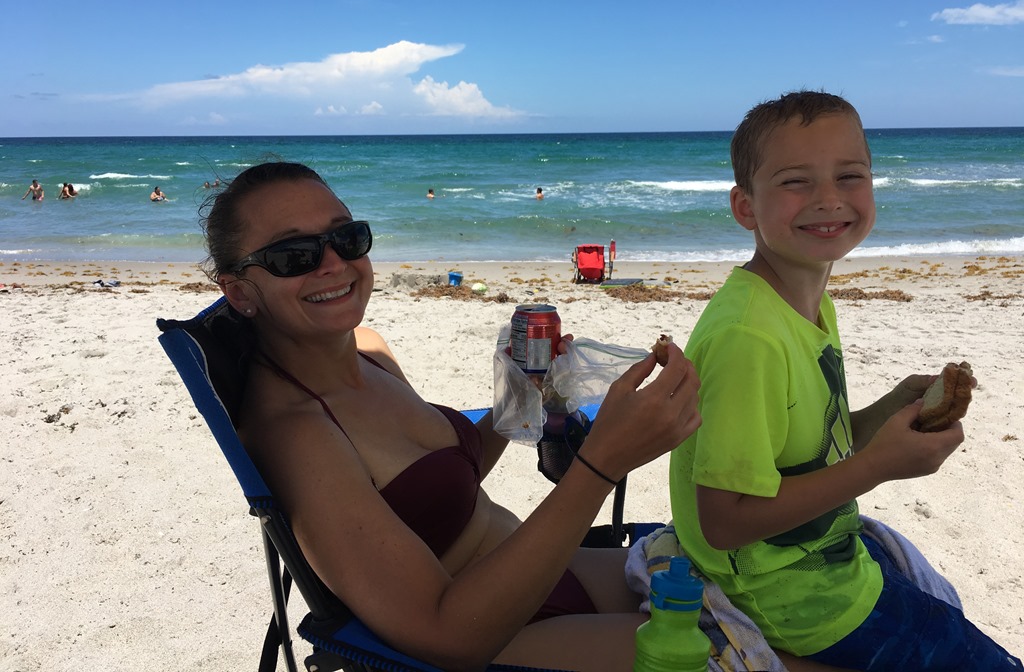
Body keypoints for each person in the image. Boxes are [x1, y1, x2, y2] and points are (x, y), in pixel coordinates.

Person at [203, 161, 702, 671]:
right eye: (293, 255)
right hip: (497, 634)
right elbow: (446, 635)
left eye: (346, 238)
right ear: (239, 291)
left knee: (738, 593)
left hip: (539, 570)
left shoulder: (369, 352)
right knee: (736, 653)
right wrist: (602, 464)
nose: (333, 263)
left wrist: (520, 391)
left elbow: (443, 483)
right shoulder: (296, 434)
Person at [669, 90, 1022, 670]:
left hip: (821, 560)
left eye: (849, 175)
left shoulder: (805, 301)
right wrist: (877, 467)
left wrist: (888, 410)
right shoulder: (748, 338)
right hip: (785, 597)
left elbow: (809, 452)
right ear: (745, 207)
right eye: (796, 181)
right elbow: (724, 520)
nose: (829, 198)